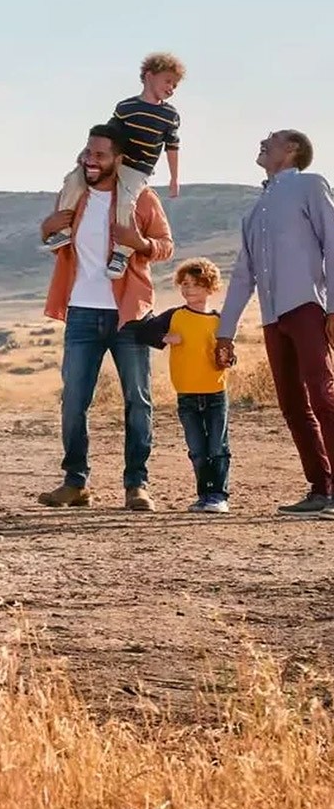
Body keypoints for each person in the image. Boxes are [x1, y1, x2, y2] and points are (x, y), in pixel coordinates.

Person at [38, 122, 174, 512]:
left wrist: (140, 243)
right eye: (87, 152)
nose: (90, 161)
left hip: (129, 315)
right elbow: (54, 240)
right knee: (74, 401)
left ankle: (137, 486)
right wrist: (46, 228)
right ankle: (75, 482)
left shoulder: (141, 199)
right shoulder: (74, 195)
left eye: (99, 155)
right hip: (82, 312)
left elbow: (166, 246)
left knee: (138, 400)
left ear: (119, 159)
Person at [216, 130, 334, 519]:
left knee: (323, 395)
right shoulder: (254, 210)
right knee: (291, 404)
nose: (263, 141)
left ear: (293, 150)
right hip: (272, 317)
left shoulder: (310, 186)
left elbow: (332, 242)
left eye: (273, 138)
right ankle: (320, 488)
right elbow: (242, 275)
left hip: (308, 309)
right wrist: (225, 332)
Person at [42, 52, 184, 281]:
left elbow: (173, 146)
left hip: (138, 168)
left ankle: (121, 253)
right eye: (168, 81)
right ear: (149, 76)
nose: (171, 88)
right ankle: (63, 231)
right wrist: (85, 155)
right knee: (73, 180)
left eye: (175, 85)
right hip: (116, 160)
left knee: (126, 202)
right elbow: (106, 135)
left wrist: (174, 178)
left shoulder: (169, 114)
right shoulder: (126, 107)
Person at [127, 258, 232, 513]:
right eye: (184, 284)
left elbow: (228, 353)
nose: (188, 290)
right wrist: (164, 337)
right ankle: (204, 495)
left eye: (196, 285)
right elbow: (141, 332)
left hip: (216, 394)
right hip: (186, 395)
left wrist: (227, 358)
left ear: (210, 288)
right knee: (197, 448)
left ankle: (218, 496)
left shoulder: (220, 321)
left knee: (217, 447)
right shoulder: (175, 316)